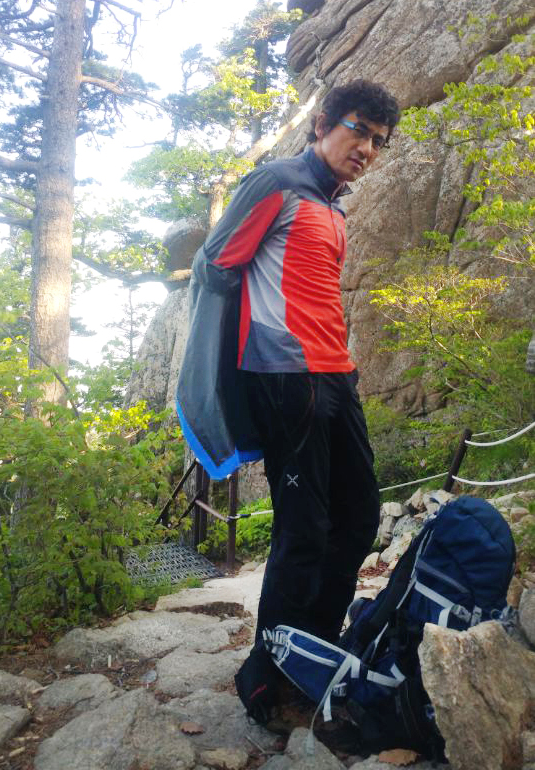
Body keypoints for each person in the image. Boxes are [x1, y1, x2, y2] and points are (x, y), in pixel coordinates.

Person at [176, 79, 400, 723]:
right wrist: (241, 362)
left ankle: (315, 646)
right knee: (303, 528)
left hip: (337, 375)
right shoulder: (276, 183)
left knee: (358, 515)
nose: (367, 148)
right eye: (358, 130)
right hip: (284, 378)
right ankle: (265, 670)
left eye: (378, 141)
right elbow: (215, 265)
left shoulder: (334, 209)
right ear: (324, 123)